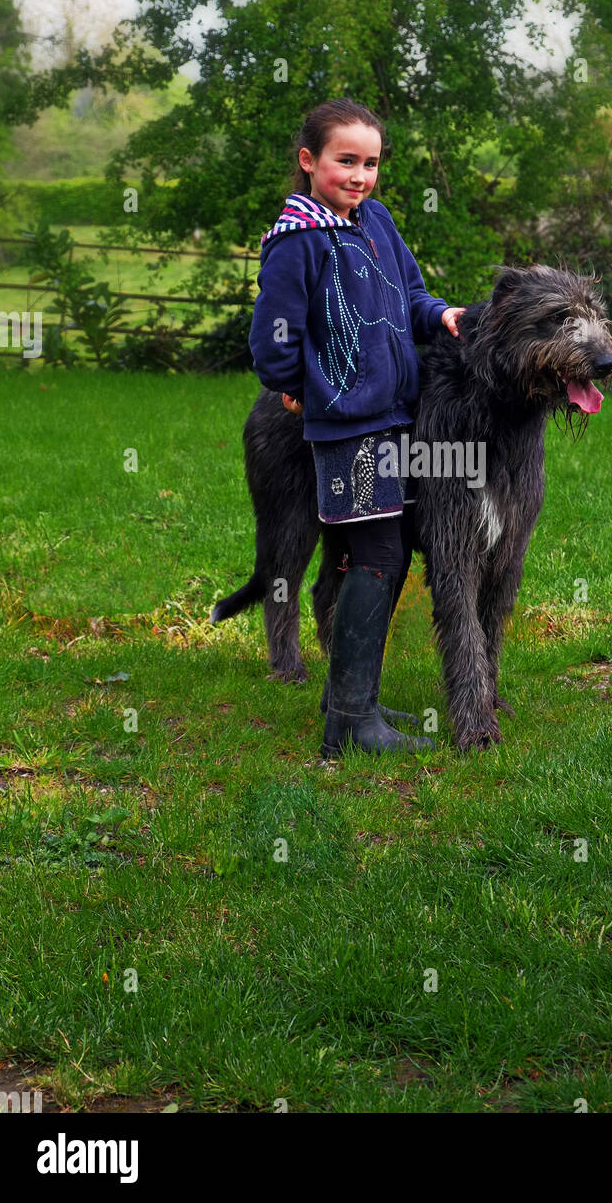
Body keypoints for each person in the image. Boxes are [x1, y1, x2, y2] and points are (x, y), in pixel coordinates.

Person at [248, 98, 466, 758]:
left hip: (393, 415)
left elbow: (412, 294)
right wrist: (295, 390)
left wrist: (441, 316)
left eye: (370, 163)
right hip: (349, 428)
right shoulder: (299, 241)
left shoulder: (376, 221)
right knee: (377, 557)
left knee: (373, 556)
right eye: (346, 160)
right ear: (309, 161)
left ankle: (354, 700)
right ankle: (349, 724)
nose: (360, 175)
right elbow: (270, 336)